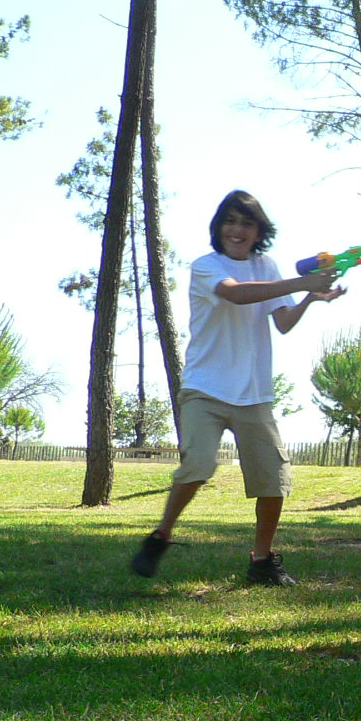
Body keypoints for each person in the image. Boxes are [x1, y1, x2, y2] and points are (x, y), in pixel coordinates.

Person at [130, 190, 346, 586]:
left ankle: (262, 561)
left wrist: (309, 297)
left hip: (254, 394)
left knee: (273, 479)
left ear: (259, 231)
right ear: (218, 228)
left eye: (247, 223)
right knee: (198, 465)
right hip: (205, 389)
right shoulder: (207, 266)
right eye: (230, 221)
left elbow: (283, 322)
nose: (237, 230)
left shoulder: (267, 266)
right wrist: (302, 280)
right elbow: (235, 293)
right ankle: (161, 536)